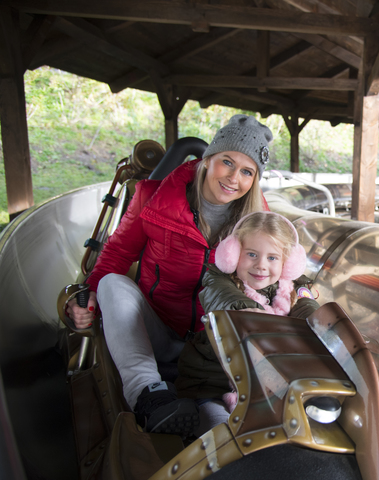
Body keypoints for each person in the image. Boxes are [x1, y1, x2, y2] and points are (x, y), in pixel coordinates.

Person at [65, 114, 273, 437]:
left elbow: (273, 275)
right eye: (227, 162)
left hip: (210, 347)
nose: (234, 178)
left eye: (247, 171)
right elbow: (118, 253)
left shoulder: (258, 220)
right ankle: (148, 395)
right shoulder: (153, 198)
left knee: (217, 427)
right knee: (111, 284)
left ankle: (212, 415)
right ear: (208, 159)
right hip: (156, 330)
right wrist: (88, 294)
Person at [176, 211, 320, 435]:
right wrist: (249, 314)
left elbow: (309, 310)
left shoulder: (293, 290)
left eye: (272, 258)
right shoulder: (218, 280)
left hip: (266, 389)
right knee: (223, 432)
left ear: (288, 263)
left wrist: (321, 326)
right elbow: (223, 298)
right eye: (251, 254)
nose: (261, 265)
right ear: (232, 255)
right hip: (213, 383)